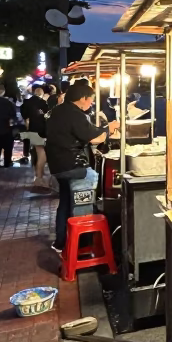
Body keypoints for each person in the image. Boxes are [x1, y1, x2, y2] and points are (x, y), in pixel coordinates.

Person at [44, 79, 118, 253]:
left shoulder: (58, 110)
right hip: (74, 167)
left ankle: (60, 243)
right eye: (91, 99)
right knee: (82, 204)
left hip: (58, 166)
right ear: (83, 98)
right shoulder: (74, 113)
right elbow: (94, 138)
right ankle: (82, 246)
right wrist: (110, 129)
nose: (91, 103)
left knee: (65, 203)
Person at [21, 84, 50, 187]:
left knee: (36, 152)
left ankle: (37, 174)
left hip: (31, 130)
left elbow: (25, 117)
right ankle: (39, 177)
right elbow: (47, 116)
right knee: (42, 154)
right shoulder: (43, 103)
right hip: (42, 131)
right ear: (41, 94)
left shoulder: (27, 103)